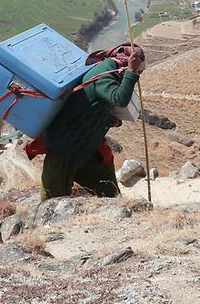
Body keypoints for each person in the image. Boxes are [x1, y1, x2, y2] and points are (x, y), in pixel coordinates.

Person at [37, 42, 145, 200]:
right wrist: (132, 72)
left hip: (87, 147)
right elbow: (120, 98)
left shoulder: (112, 73)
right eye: (140, 70)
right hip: (65, 147)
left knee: (110, 194)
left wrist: (109, 120)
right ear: (125, 62)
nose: (139, 74)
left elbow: (96, 105)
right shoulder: (104, 73)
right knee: (52, 199)